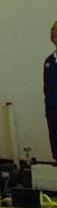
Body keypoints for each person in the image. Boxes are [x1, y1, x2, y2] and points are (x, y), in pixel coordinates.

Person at [46, 20, 57, 161]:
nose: (53, 32)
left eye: (56, 29)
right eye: (52, 29)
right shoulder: (49, 61)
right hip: (53, 113)